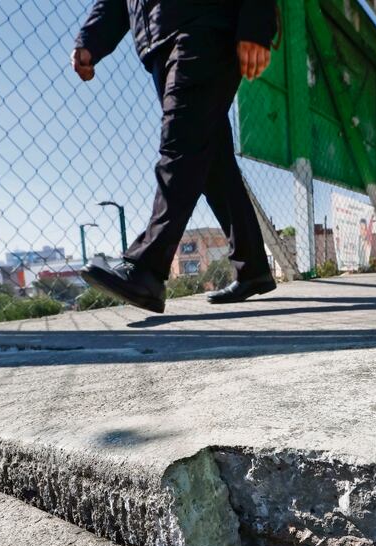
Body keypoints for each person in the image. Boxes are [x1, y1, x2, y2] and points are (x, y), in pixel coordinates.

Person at [72, 0, 279, 314]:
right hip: (158, 41)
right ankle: (253, 267)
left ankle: (147, 270)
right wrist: (90, 42)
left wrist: (256, 22)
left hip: (204, 23)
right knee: (212, 161)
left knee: (180, 144)